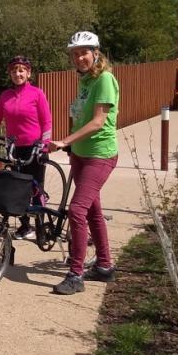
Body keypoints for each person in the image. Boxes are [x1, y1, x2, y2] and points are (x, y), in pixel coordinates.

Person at [46, 31, 119, 295]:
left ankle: (75, 274)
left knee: (77, 210)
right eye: (75, 54)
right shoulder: (86, 81)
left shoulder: (105, 80)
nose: (79, 58)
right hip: (80, 153)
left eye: (84, 53)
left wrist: (65, 140)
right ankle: (104, 266)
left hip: (100, 154)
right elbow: (78, 115)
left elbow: (98, 121)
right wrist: (71, 146)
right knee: (92, 211)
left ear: (95, 53)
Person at [0, 55, 53, 240]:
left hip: (34, 148)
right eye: (14, 71)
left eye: (22, 70)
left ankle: (41, 229)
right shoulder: (6, 95)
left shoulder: (37, 94)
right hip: (13, 148)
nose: (18, 74)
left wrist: (45, 146)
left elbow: (46, 121)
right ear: (10, 74)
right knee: (16, 188)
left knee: (35, 188)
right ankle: (25, 227)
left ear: (28, 73)